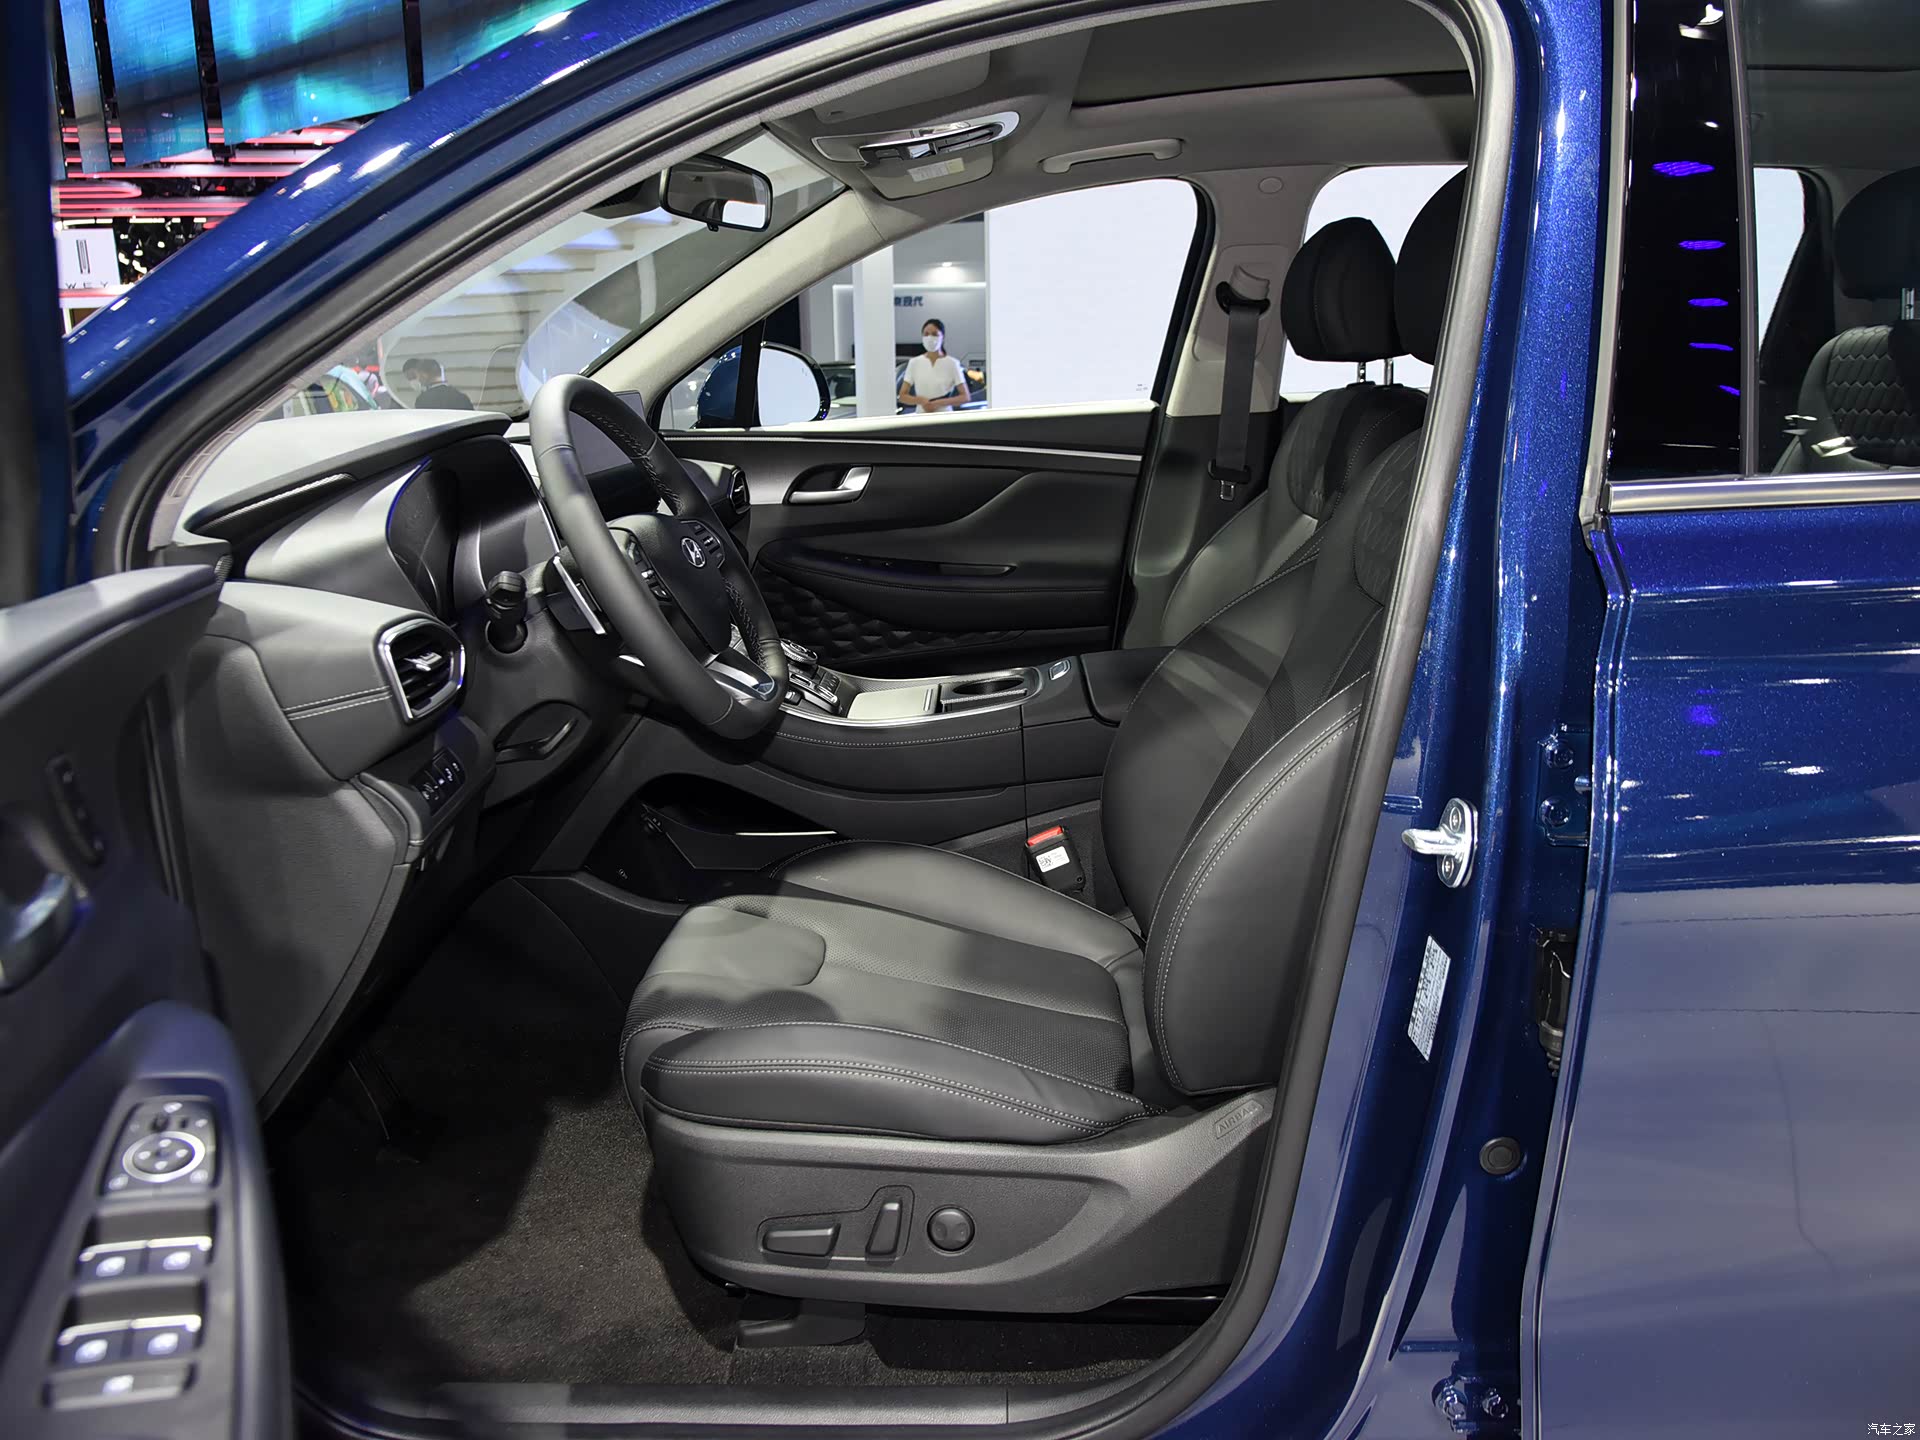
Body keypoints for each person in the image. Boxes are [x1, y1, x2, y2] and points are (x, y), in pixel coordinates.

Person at [897, 319, 971, 413]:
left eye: (934, 334)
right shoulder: (914, 363)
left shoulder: (952, 363)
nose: (930, 338)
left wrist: (939, 403)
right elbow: (903, 396)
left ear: (942, 337)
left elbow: (965, 397)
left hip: (944, 415)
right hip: (921, 415)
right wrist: (921, 401)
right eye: (926, 334)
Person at [401, 357, 474, 409]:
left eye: (417, 375)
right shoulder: (461, 397)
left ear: (423, 375)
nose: (418, 380)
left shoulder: (422, 400)